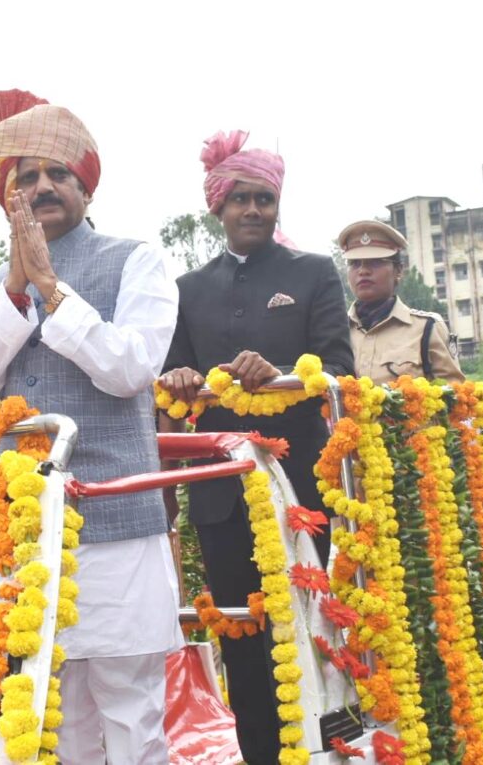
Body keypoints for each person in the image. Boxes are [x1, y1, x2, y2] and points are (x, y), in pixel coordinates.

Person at [0, 89, 182, 763]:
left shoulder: (135, 259)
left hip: (115, 521)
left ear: (85, 185)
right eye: (27, 177)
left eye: (58, 174)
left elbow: (130, 368)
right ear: (7, 196)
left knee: (131, 712)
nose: (44, 187)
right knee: (60, 712)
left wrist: (54, 291)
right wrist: (21, 292)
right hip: (30, 527)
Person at [158, 130, 353, 765]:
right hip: (221, 489)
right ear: (216, 207)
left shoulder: (313, 272)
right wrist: (181, 379)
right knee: (242, 626)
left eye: (264, 199)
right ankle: (260, 755)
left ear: (277, 207)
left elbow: (338, 366)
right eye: (239, 199)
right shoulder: (186, 289)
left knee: (315, 618)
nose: (252, 210)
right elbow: (172, 380)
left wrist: (280, 372)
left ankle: (330, 748)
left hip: (302, 482)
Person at [338, 220, 464, 384]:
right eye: (355, 263)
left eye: (375, 262)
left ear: (398, 271)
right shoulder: (336, 331)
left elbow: (456, 397)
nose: (363, 271)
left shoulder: (426, 328)